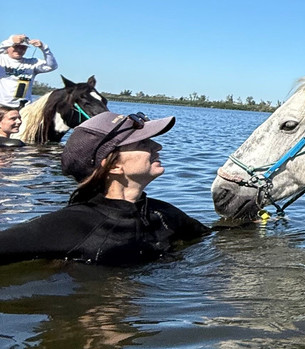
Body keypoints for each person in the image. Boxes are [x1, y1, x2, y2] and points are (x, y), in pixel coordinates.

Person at [0, 111, 210, 265]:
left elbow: (216, 240)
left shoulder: (164, 214)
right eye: (143, 143)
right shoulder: (72, 224)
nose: (157, 147)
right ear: (113, 165)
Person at [0, 34, 58, 108]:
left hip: (24, 107)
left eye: (23, 48)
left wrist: (44, 48)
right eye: (16, 47)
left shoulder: (32, 63)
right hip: (2, 106)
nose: (19, 50)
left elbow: (52, 66)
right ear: (8, 48)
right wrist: (10, 41)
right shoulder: (1, 59)